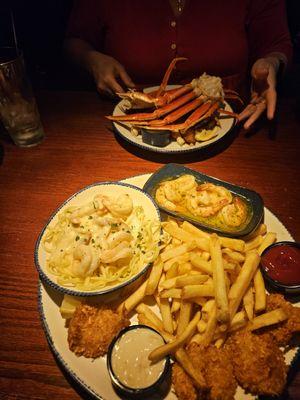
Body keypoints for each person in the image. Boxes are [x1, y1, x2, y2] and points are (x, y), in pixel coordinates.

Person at [64, 0, 293, 129]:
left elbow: (277, 43)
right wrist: (92, 59)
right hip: (129, 125)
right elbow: (74, 39)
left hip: (233, 125)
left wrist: (272, 63)